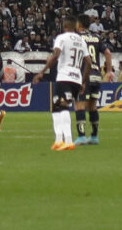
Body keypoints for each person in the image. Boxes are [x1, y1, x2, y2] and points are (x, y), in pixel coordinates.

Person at [42, 18, 93, 152]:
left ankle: (68, 141)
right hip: (76, 79)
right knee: (56, 106)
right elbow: (89, 62)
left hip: (64, 77)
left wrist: (42, 71)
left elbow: (56, 55)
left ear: (64, 26)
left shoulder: (62, 38)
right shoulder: (81, 41)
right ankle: (58, 140)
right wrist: (83, 81)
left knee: (63, 106)